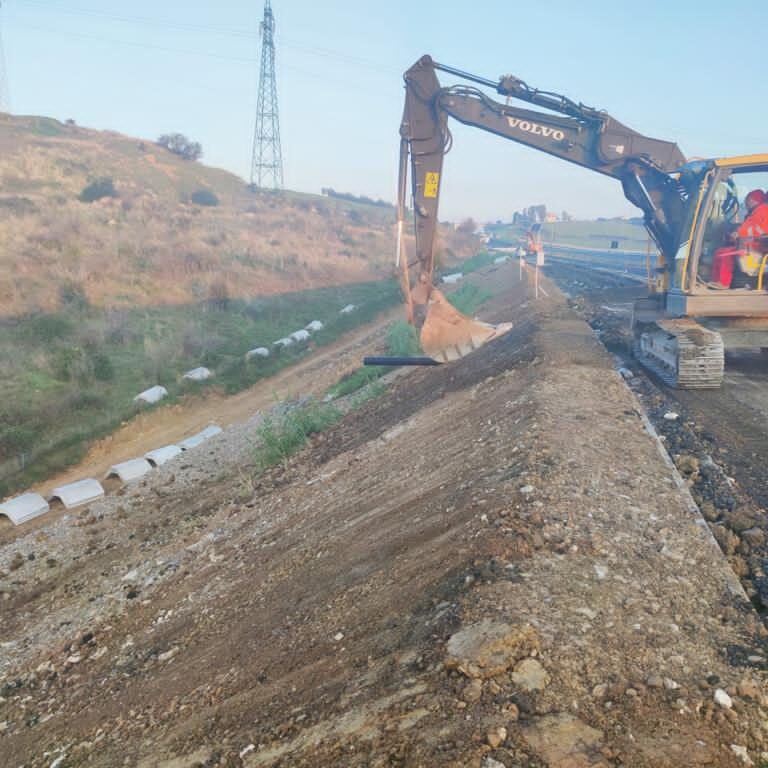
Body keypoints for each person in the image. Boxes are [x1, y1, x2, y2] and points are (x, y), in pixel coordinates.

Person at [710, 189, 768, 288]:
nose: (746, 202)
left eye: (748, 199)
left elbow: (759, 230)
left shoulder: (763, 210)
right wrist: (736, 234)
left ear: (755, 200)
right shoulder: (755, 212)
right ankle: (715, 281)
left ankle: (723, 283)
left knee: (724, 254)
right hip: (749, 246)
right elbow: (749, 228)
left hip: (755, 251)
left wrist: (738, 234)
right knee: (720, 252)